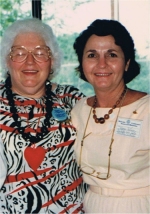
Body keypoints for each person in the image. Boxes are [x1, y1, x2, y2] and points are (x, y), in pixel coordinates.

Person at [0, 18, 86, 213]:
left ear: (52, 60)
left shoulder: (72, 99)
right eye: (19, 53)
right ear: (7, 60)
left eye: (40, 52)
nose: (30, 61)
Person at [71, 19, 150, 213]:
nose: (102, 64)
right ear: (82, 63)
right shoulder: (79, 109)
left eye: (112, 55)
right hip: (92, 204)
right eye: (92, 55)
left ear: (127, 63)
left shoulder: (146, 109)